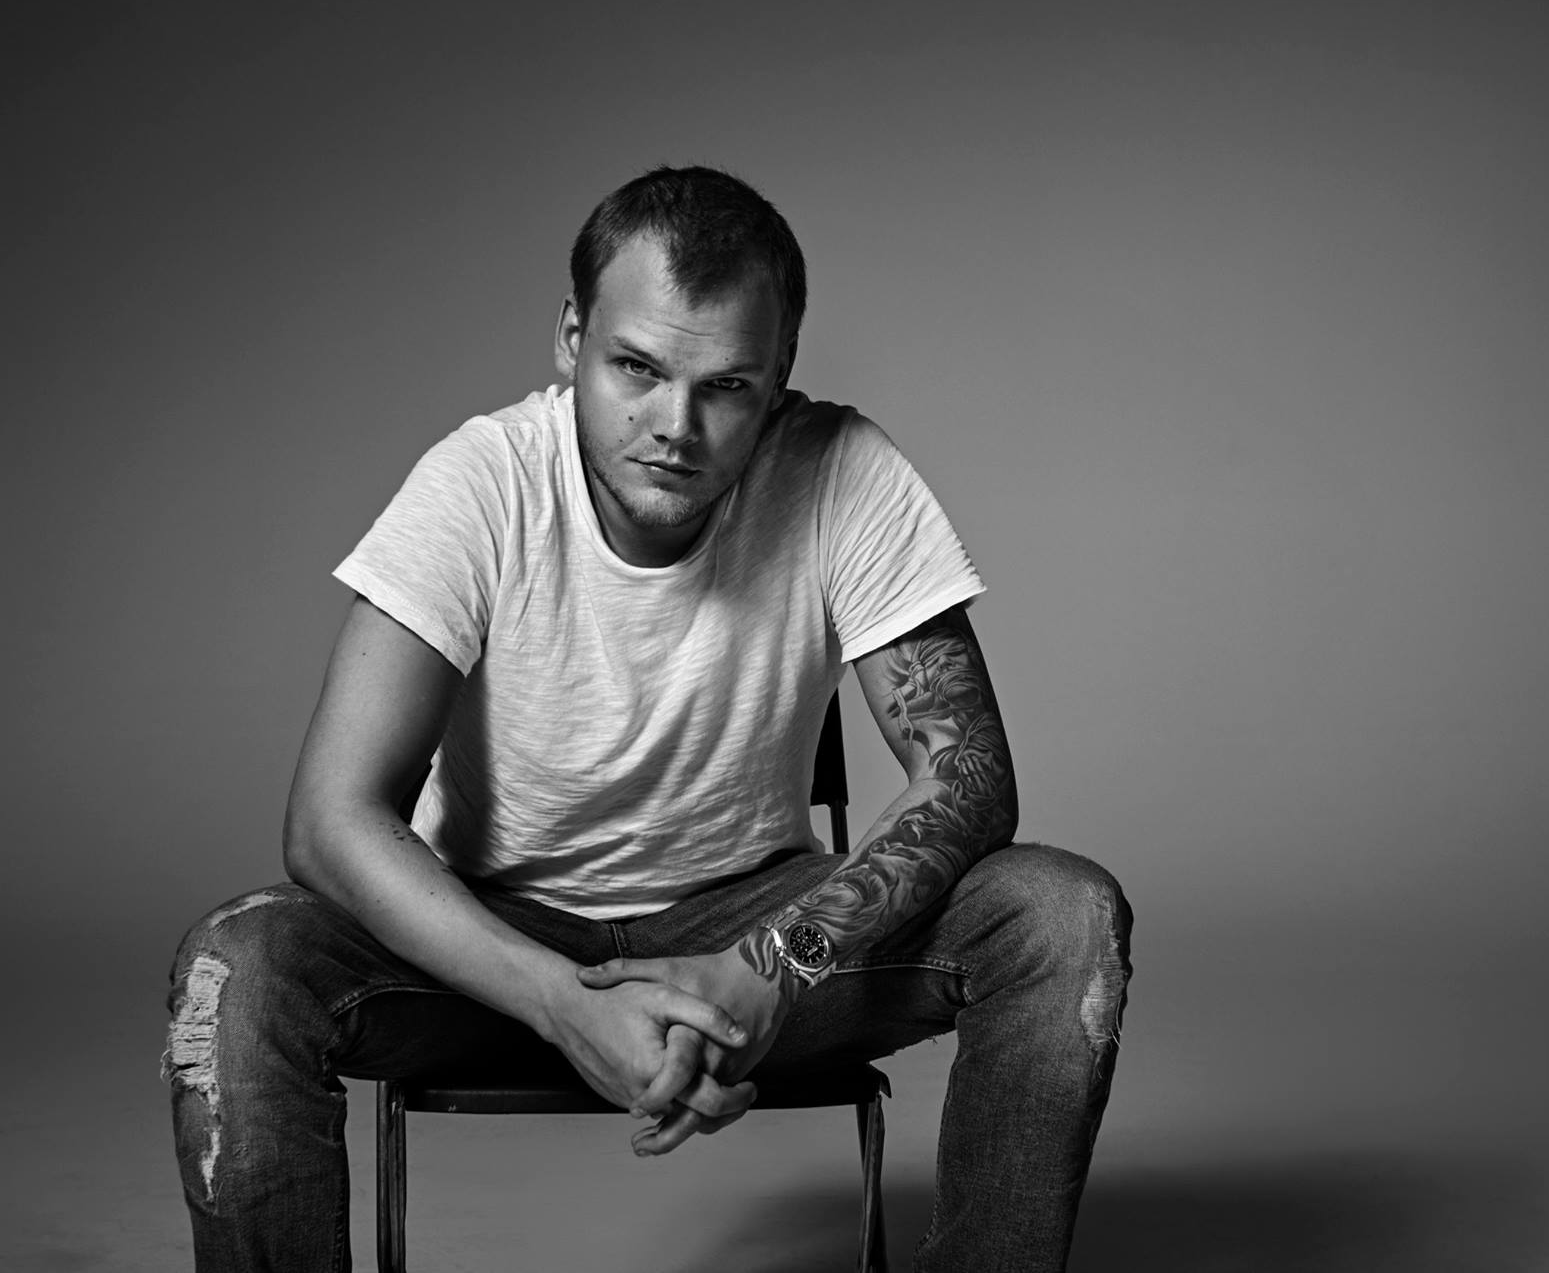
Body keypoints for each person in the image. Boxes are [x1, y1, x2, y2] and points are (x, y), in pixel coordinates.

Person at [164, 165, 1131, 1272]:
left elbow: (968, 777)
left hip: (752, 929)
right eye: (636, 368)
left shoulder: (840, 469)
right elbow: (330, 821)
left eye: (727, 386)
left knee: (1059, 915)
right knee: (240, 969)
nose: (676, 427)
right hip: (492, 940)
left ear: (779, 375)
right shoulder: (481, 482)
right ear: (571, 339)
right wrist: (559, 1003)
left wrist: (774, 966)